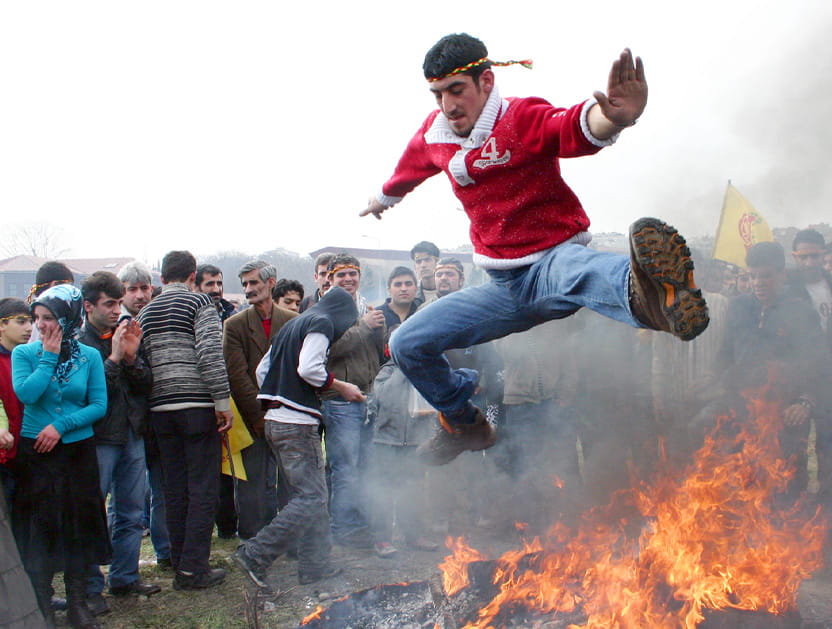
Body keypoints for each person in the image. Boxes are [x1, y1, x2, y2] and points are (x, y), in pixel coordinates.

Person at [360, 33, 708, 465]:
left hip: (552, 262)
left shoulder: (519, 118)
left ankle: (656, 299)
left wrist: (614, 118)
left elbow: (573, 126)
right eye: (438, 95)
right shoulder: (435, 135)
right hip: (503, 286)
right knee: (408, 341)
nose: (448, 105)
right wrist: (382, 199)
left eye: (457, 91)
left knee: (578, 269)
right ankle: (465, 424)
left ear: (486, 82)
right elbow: (407, 171)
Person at [232, 287, 361, 590]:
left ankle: (315, 566)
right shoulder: (322, 322)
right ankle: (255, 553)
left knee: (311, 496)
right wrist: (340, 386)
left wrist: (279, 395)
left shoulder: (293, 324)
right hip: (297, 424)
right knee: (312, 497)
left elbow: (263, 369)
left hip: (276, 420)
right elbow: (309, 368)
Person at [12, 284, 110, 628]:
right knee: (42, 525)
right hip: (36, 451)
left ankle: (78, 602)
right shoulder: (24, 355)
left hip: (76, 450)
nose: (41, 325)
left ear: (69, 318)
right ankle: (42, 602)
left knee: (77, 523)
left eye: (49, 318)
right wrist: (49, 357)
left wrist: (61, 426)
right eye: (36, 318)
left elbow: (98, 405)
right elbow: (27, 394)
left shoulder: (89, 356)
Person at [137, 251, 232, 590]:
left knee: (174, 490)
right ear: (193, 275)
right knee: (203, 489)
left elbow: (142, 362)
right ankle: (194, 570)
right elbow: (209, 352)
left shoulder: (145, 312)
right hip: (196, 406)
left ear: (162, 278)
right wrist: (222, 402)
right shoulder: (200, 304)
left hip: (159, 410)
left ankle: (180, 562)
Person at [79, 272, 160, 614]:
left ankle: (125, 576)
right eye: (108, 304)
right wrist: (112, 360)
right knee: (92, 512)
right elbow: (92, 396)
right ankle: (88, 587)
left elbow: (145, 386)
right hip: (98, 439)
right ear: (88, 306)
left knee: (129, 511)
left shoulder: (124, 333)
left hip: (131, 433)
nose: (116, 310)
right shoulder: (79, 344)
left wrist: (131, 359)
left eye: (118, 303)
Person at [222, 261, 296, 540]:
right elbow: (236, 375)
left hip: (288, 414)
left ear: (271, 282)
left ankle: (289, 538)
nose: (248, 289)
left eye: (253, 282)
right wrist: (259, 416)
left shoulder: (292, 321)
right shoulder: (235, 325)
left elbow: (297, 368)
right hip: (252, 417)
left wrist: (284, 410)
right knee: (252, 483)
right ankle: (252, 539)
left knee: (289, 481)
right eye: (244, 284)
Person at [318, 253, 386, 547]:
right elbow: (330, 352)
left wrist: (379, 330)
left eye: (352, 274)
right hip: (340, 400)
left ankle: (359, 524)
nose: (347, 279)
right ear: (330, 279)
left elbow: (374, 354)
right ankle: (342, 529)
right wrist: (364, 327)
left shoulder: (366, 308)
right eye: (341, 275)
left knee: (365, 466)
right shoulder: (327, 311)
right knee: (345, 468)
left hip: (367, 397)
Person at [117, 261, 170, 570]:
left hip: (156, 418)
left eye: (144, 288)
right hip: (127, 423)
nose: (139, 295)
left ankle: (164, 550)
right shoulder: (119, 325)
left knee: (161, 490)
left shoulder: (156, 317)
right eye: (132, 289)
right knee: (128, 499)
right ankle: (122, 566)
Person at [0, 298, 32, 506]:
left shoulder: (32, 358)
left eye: (30, 321)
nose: (29, 328)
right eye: (20, 322)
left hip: (28, 450)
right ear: (2, 325)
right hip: (5, 449)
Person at [410, 241, 440, 306]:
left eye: (427, 260)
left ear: (437, 262)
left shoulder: (449, 293)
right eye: (418, 261)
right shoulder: (410, 297)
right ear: (414, 267)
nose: (423, 265)